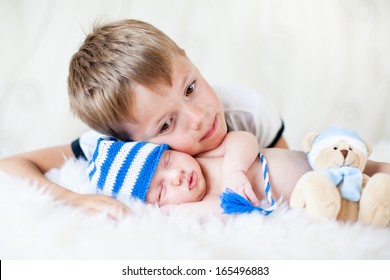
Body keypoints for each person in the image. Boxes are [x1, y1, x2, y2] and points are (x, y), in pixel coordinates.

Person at [0, 19, 388, 219]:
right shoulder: (110, 150)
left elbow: (291, 177)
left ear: (188, 58)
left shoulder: (245, 109)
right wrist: (74, 199)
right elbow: (12, 164)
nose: (200, 118)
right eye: (166, 126)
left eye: (190, 87)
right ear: (129, 142)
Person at [87, 131, 312, 216]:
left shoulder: (202, 157)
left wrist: (234, 170)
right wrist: (173, 214)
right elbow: (225, 214)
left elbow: (244, 138)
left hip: (317, 162)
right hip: (315, 198)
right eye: (161, 190)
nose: (176, 176)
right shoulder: (194, 206)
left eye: (167, 161)